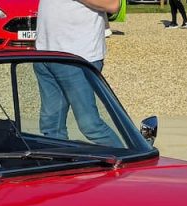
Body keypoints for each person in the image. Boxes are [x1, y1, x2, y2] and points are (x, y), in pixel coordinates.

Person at [34, 0, 123, 147]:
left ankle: (127, 163)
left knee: (90, 125)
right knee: (51, 126)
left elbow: (113, 4)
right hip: (45, 53)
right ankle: (60, 166)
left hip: (77, 57)